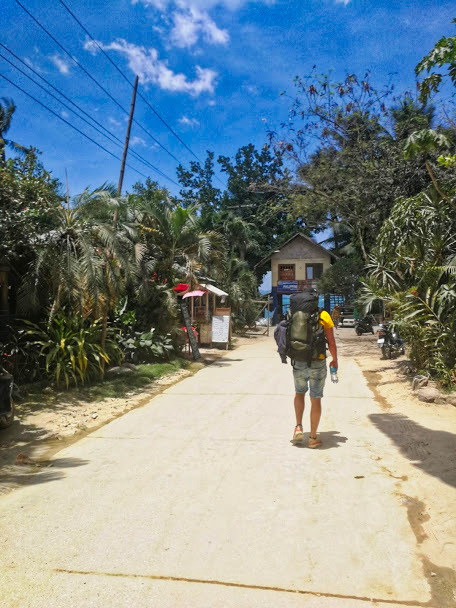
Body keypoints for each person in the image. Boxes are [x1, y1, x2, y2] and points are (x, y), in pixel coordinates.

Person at [274, 288, 338, 448]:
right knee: (315, 398)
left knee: (299, 393)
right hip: (318, 360)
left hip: (298, 360)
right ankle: (313, 438)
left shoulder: (293, 313)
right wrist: (335, 360)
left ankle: (298, 427)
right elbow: (331, 342)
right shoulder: (323, 315)